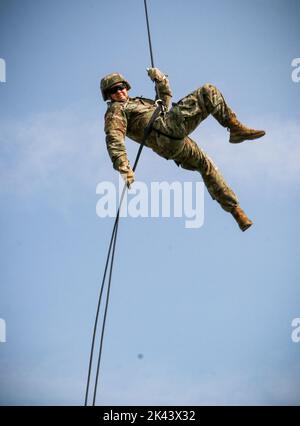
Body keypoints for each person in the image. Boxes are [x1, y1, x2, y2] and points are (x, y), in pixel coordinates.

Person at [100, 68, 266, 231]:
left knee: (205, 164)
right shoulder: (116, 110)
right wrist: (123, 166)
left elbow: (163, 105)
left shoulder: (138, 103)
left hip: (172, 144)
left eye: (121, 87)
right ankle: (235, 127)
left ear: (126, 87)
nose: (119, 92)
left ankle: (236, 212)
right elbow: (114, 137)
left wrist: (161, 82)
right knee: (208, 91)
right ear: (108, 95)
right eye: (114, 90)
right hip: (164, 131)